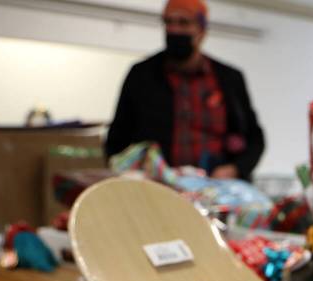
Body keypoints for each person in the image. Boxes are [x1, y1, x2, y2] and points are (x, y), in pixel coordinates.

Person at [105, 0, 265, 179]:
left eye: (184, 23)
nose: (174, 30)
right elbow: (117, 140)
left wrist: (235, 169)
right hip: (157, 188)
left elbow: (254, 139)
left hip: (216, 189)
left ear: (202, 30)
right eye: (168, 22)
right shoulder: (141, 75)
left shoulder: (229, 79)